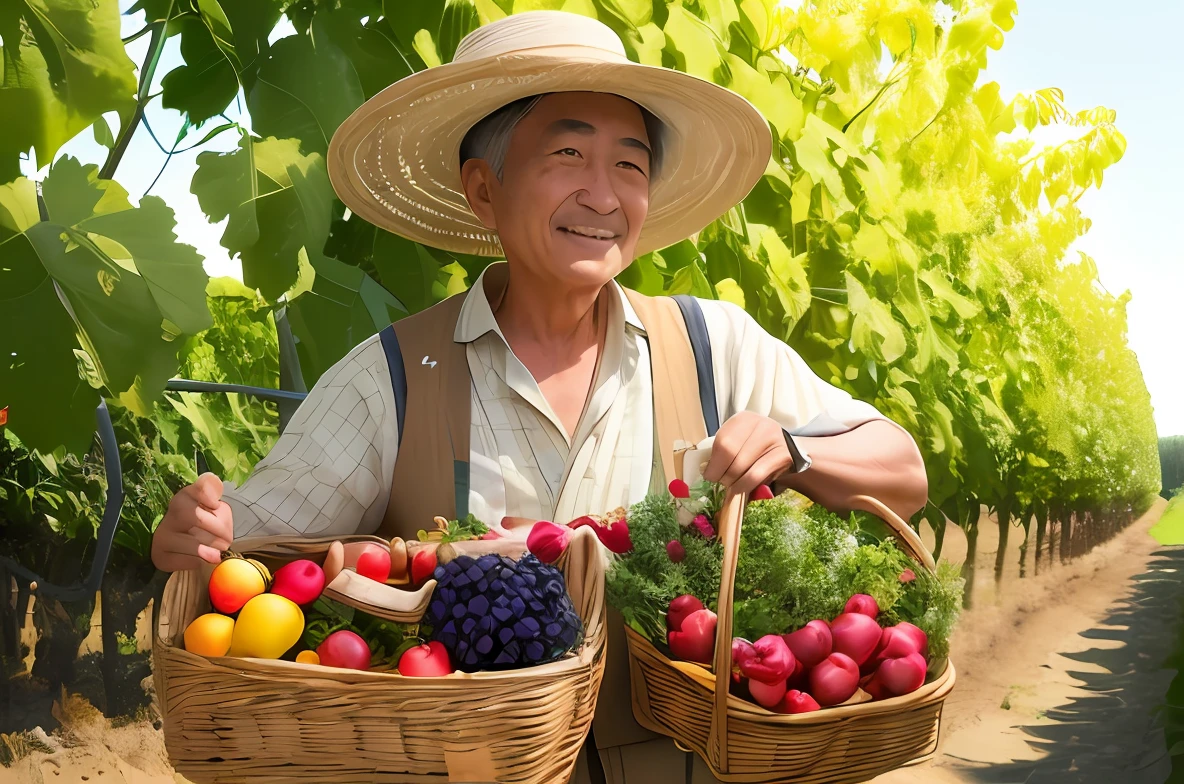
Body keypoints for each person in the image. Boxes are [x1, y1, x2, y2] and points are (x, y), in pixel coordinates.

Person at [151, 10, 928, 783]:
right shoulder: (392, 374)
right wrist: (200, 532)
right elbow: (249, 546)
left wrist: (797, 451)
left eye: (629, 165)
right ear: (483, 189)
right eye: (567, 154)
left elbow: (901, 469)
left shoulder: (711, 346)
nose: (602, 195)